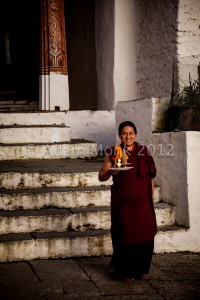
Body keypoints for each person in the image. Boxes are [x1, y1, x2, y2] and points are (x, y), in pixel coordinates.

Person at [98, 121, 157, 282]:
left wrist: (149, 198)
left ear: (135, 135)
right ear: (120, 136)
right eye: (124, 133)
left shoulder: (143, 152)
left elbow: (150, 177)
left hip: (142, 202)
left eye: (131, 133)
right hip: (123, 201)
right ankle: (125, 271)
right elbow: (101, 176)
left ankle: (142, 269)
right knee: (125, 232)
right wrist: (111, 172)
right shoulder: (113, 152)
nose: (128, 136)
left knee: (145, 233)